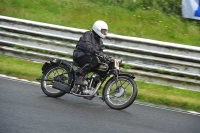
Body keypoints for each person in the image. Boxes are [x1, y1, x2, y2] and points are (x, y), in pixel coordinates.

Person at [73, 20, 108, 86]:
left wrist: (106, 58)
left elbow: (101, 51)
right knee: (94, 60)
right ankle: (80, 76)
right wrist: (96, 51)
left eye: (105, 31)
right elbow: (88, 45)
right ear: (98, 29)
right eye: (103, 31)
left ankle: (93, 85)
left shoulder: (99, 41)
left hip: (88, 57)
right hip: (80, 55)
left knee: (103, 66)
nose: (104, 33)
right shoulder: (88, 34)